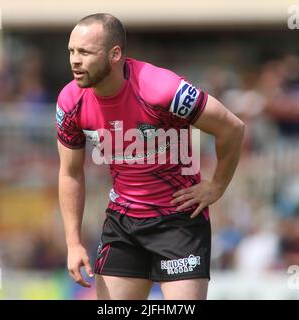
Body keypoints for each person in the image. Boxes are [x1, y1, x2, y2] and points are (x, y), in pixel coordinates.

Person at [56, 13, 244, 300]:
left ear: (115, 54)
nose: (75, 60)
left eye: (85, 52)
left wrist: (217, 185)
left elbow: (231, 128)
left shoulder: (162, 90)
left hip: (178, 222)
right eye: (71, 51)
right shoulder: (70, 102)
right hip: (122, 224)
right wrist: (73, 243)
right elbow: (70, 172)